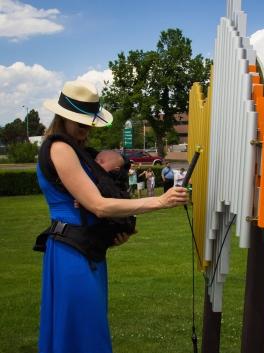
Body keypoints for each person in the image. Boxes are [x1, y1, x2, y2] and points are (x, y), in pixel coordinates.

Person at [34, 80, 188, 353]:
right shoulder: (60, 148)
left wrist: (116, 233)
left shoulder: (75, 149)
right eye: (80, 123)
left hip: (86, 249)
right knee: (82, 334)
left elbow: (98, 205)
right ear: (63, 117)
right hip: (72, 254)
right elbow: (99, 206)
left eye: (88, 124)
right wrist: (160, 201)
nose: (85, 130)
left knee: (86, 331)